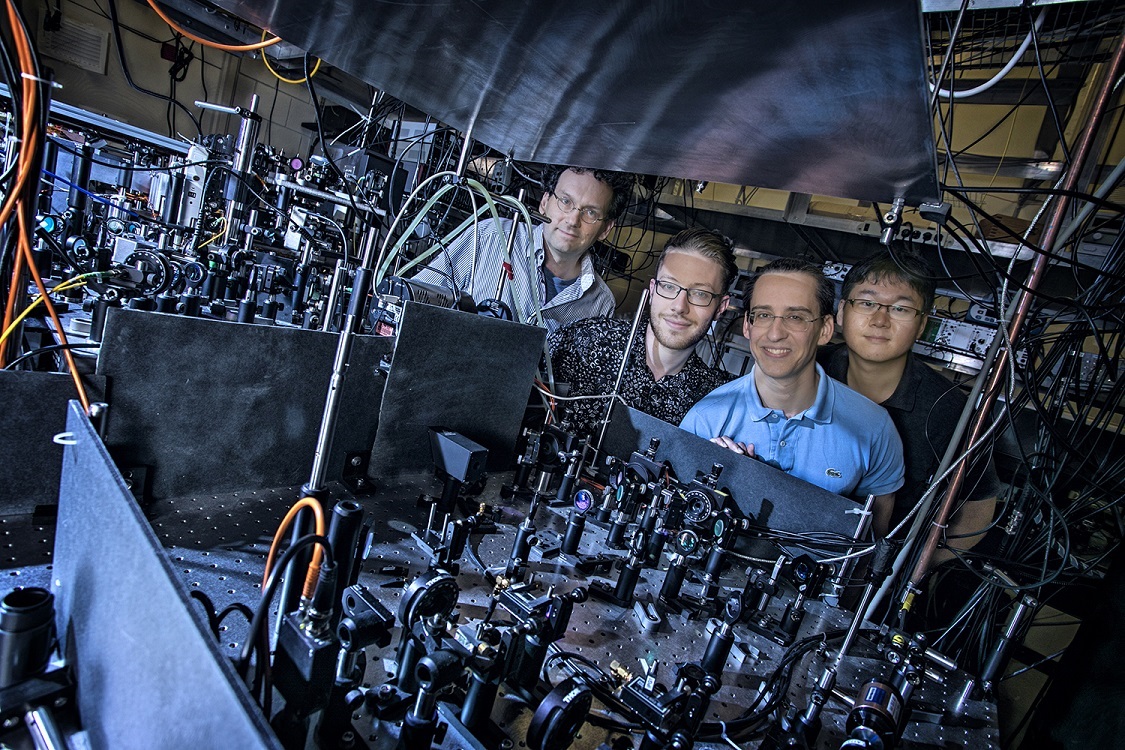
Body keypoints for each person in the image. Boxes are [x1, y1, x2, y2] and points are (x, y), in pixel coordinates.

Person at [680, 257, 904, 537]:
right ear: (747, 326)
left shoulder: (874, 429)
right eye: (763, 315)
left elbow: (869, 549)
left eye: (795, 317)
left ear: (825, 329)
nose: (775, 333)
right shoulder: (706, 419)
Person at [821, 250, 1001, 561]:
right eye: (866, 303)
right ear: (840, 312)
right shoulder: (808, 370)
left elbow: (978, 510)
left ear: (921, 325)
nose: (880, 321)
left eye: (901, 309)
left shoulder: (949, 410)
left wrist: (906, 569)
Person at [548, 228, 737, 437]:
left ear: (721, 307)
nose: (679, 306)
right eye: (669, 286)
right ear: (653, 289)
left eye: (700, 294)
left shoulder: (714, 400)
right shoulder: (584, 342)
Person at [411, 165, 634, 333]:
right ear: (545, 202)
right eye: (565, 201)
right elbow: (413, 300)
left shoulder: (600, 302)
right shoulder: (490, 237)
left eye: (590, 213)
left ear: (605, 228)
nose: (573, 219)